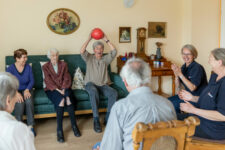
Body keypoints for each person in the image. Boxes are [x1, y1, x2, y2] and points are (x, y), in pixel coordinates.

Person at [93, 58, 176, 150]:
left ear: (125, 82)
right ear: (149, 77)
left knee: (97, 145)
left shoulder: (120, 107)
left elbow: (112, 147)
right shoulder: (168, 104)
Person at [177, 48, 225, 140]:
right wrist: (192, 98)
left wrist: (193, 110)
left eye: (210, 59)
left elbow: (223, 116)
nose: (208, 61)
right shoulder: (214, 76)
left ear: (219, 62)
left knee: (171, 126)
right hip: (200, 118)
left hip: (212, 129)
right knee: (169, 116)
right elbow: (210, 100)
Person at [80, 30, 118, 133]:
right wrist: (89, 38)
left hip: (103, 85)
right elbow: (82, 51)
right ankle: (96, 120)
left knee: (114, 93)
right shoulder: (89, 58)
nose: (99, 50)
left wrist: (106, 39)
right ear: (94, 50)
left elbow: (114, 52)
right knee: (93, 91)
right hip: (90, 84)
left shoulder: (106, 59)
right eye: (97, 48)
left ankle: (108, 119)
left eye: (101, 48)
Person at [42, 48, 81, 143]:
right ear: (49, 57)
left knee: (68, 99)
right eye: (52, 55)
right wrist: (59, 91)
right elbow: (48, 81)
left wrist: (63, 88)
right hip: (52, 89)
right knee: (61, 101)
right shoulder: (45, 66)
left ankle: (74, 126)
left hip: (65, 87)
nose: (55, 57)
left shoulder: (64, 64)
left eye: (56, 55)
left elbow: (67, 77)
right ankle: (59, 129)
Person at [0, 72, 35, 150]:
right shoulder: (18, 130)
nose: (15, 100)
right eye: (14, 96)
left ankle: (31, 124)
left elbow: (32, 81)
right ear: (8, 100)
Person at [168, 44, 207, 113]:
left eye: (188, 54)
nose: (185, 56)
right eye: (183, 54)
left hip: (196, 99)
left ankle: (178, 121)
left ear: (194, 55)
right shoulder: (183, 67)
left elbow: (192, 88)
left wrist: (180, 74)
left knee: (171, 106)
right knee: (165, 102)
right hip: (187, 96)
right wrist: (176, 74)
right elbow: (178, 88)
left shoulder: (197, 68)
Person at [6, 49, 36, 136]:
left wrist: (27, 90)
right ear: (17, 58)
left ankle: (31, 126)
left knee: (29, 101)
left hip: (27, 89)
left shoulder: (28, 67)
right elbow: (9, 83)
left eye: (26, 57)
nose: (26, 59)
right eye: (24, 57)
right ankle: (19, 126)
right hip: (15, 90)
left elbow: (32, 81)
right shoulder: (10, 69)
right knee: (19, 103)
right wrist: (16, 93)